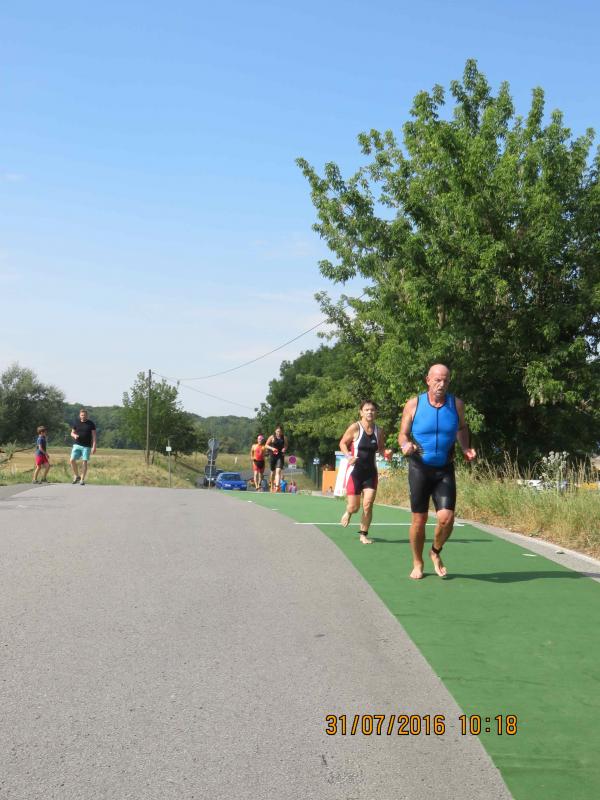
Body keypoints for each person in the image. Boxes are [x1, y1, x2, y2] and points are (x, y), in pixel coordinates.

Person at [398, 364, 476, 579]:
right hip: (419, 467)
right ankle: (417, 562)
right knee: (419, 520)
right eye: (437, 380)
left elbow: (461, 428)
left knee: (446, 518)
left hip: (444, 468)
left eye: (446, 381)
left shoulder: (456, 404)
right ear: (428, 380)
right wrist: (405, 445)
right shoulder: (414, 404)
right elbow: (403, 434)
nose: (441, 384)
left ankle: (435, 551)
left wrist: (465, 448)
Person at [339, 400, 385, 544]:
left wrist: (386, 453)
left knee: (368, 504)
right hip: (355, 473)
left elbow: (381, 449)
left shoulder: (379, 431)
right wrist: (348, 456)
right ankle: (348, 512)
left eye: (372, 410)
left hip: (371, 474)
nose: (370, 412)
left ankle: (363, 535)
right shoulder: (355, 427)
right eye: (366, 409)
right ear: (361, 412)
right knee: (354, 507)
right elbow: (342, 443)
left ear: (376, 412)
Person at [70, 408, 97, 485]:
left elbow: (94, 436)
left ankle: (82, 479)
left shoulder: (91, 424)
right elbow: (71, 433)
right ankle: (76, 476)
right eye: (82, 415)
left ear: (87, 415)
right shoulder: (76, 422)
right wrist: (74, 435)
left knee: (84, 461)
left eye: (84, 415)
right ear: (80, 415)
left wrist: (94, 446)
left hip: (86, 446)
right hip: (77, 444)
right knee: (72, 460)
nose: (83, 416)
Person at [265, 425, 288, 492]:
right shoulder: (272, 437)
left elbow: (286, 445)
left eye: (280, 431)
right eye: (278, 431)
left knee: (278, 471)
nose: (279, 433)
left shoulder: (284, 438)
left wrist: (284, 449)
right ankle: (272, 485)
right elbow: (266, 445)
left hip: (280, 456)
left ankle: (277, 486)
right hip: (273, 456)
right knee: (272, 472)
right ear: (275, 431)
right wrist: (272, 448)